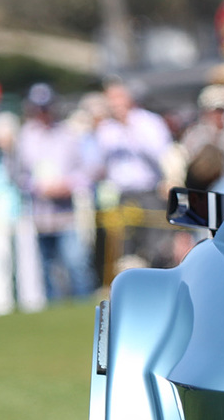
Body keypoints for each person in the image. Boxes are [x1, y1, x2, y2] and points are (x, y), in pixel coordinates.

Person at [18, 83, 96, 299]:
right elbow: (19, 175)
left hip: (66, 213)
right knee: (47, 265)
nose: (42, 113)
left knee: (76, 262)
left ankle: (84, 304)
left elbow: (86, 172)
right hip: (40, 213)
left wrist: (67, 185)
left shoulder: (68, 134)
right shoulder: (26, 136)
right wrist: (38, 187)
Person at [92, 79, 175, 268]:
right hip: (122, 195)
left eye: (117, 97)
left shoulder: (149, 122)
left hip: (149, 192)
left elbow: (160, 154)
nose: (114, 103)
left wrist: (130, 129)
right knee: (124, 248)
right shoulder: (106, 128)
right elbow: (99, 164)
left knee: (155, 245)